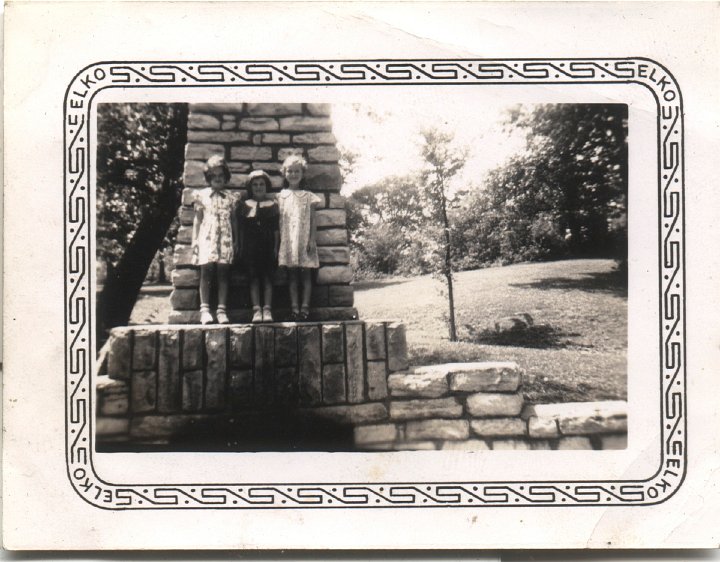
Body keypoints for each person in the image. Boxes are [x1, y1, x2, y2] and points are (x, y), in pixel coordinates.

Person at [191, 155, 240, 325]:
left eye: (220, 175)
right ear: (208, 178)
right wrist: (195, 241)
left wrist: (236, 240)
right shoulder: (201, 196)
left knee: (223, 274)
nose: (217, 179)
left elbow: (234, 220)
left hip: (225, 239)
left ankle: (221, 310)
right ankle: (205, 310)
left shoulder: (231, 197)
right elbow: (197, 219)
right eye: (213, 176)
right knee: (206, 273)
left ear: (225, 176)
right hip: (206, 238)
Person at [277, 154, 322, 321]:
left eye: (297, 171)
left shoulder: (308, 196)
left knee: (306, 275)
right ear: (284, 173)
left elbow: (313, 220)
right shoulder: (281, 196)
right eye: (290, 171)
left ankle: (305, 307)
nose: (293, 175)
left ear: (302, 174)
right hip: (289, 241)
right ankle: (294, 308)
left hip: (304, 241)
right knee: (292, 276)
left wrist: (311, 240)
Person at [240, 170, 279, 323]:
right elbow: (242, 229)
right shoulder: (245, 206)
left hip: (268, 245)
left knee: (268, 277)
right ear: (250, 187)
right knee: (254, 278)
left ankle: (267, 309)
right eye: (255, 185)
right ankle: (256, 309)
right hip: (251, 247)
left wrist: (276, 247)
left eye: (262, 184)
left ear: (266, 186)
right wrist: (241, 246)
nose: (258, 187)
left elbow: (276, 229)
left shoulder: (272, 206)